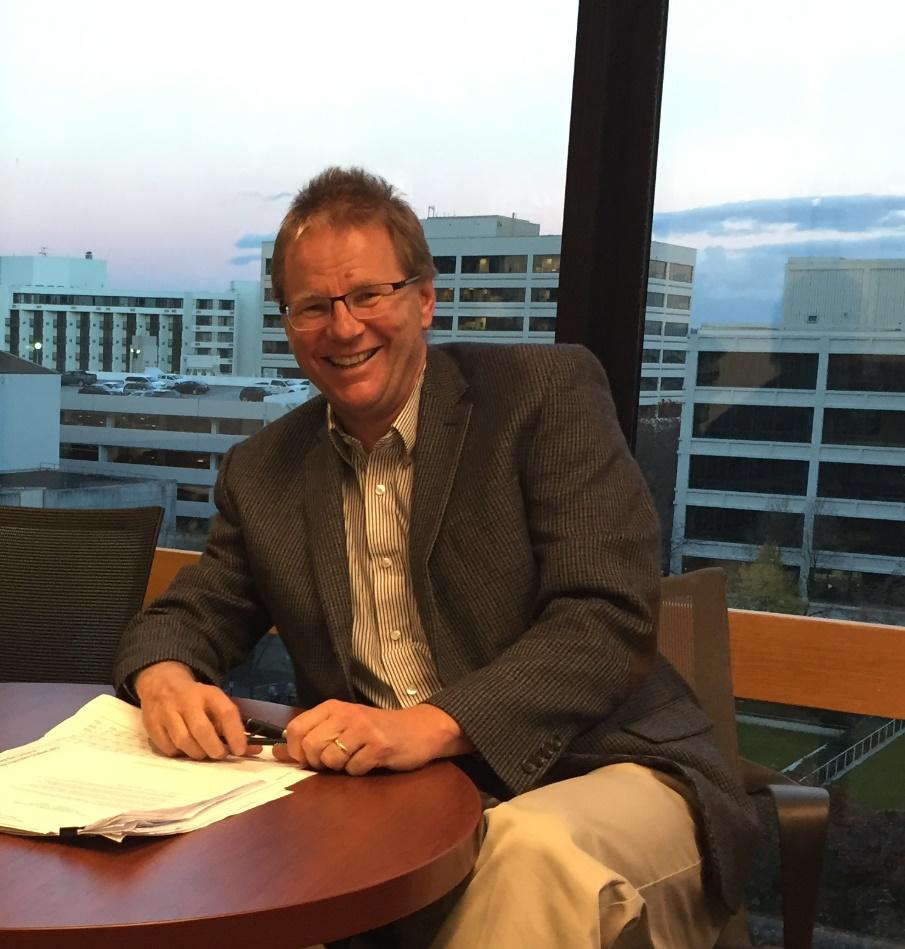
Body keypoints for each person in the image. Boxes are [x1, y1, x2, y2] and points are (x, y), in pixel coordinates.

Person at [114, 166, 756, 948]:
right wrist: (166, 676)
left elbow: (604, 617)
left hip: (605, 770)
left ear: (423, 298)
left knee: (526, 856)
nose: (342, 327)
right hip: (394, 803)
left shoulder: (542, 395)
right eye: (313, 306)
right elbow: (191, 613)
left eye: (367, 296)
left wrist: (432, 724)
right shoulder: (264, 468)